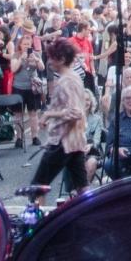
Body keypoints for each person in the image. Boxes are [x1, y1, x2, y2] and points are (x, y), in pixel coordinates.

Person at [31, 38, 89, 202]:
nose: (49, 61)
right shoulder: (74, 77)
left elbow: (75, 112)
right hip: (75, 141)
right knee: (83, 188)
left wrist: (49, 115)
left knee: (38, 186)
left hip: (62, 142)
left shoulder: (66, 81)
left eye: (52, 57)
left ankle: (38, 223)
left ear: (62, 59)